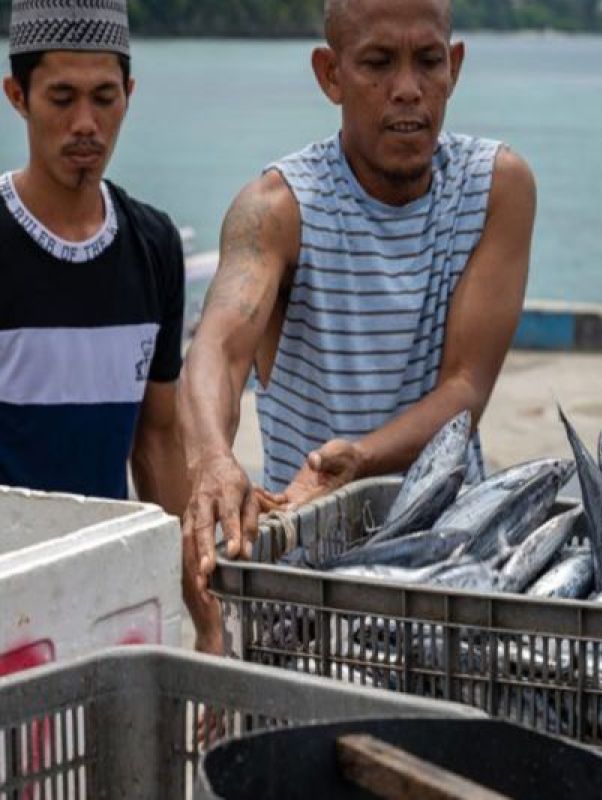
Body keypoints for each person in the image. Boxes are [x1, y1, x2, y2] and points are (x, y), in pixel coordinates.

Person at [178, 0, 536, 654]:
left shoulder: (495, 188)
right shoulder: (278, 209)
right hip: (308, 587)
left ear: (453, 67)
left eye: (428, 61)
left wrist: (361, 459)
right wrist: (210, 458)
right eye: (377, 62)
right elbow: (217, 351)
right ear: (330, 74)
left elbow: (465, 390)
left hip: (456, 573)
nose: (407, 88)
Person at [1, 5, 188, 537]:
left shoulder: (153, 245)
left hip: (106, 577)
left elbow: (157, 437)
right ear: (17, 96)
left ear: (128, 94)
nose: (86, 123)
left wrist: (197, 600)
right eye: (62, 98)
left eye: (104, 98)